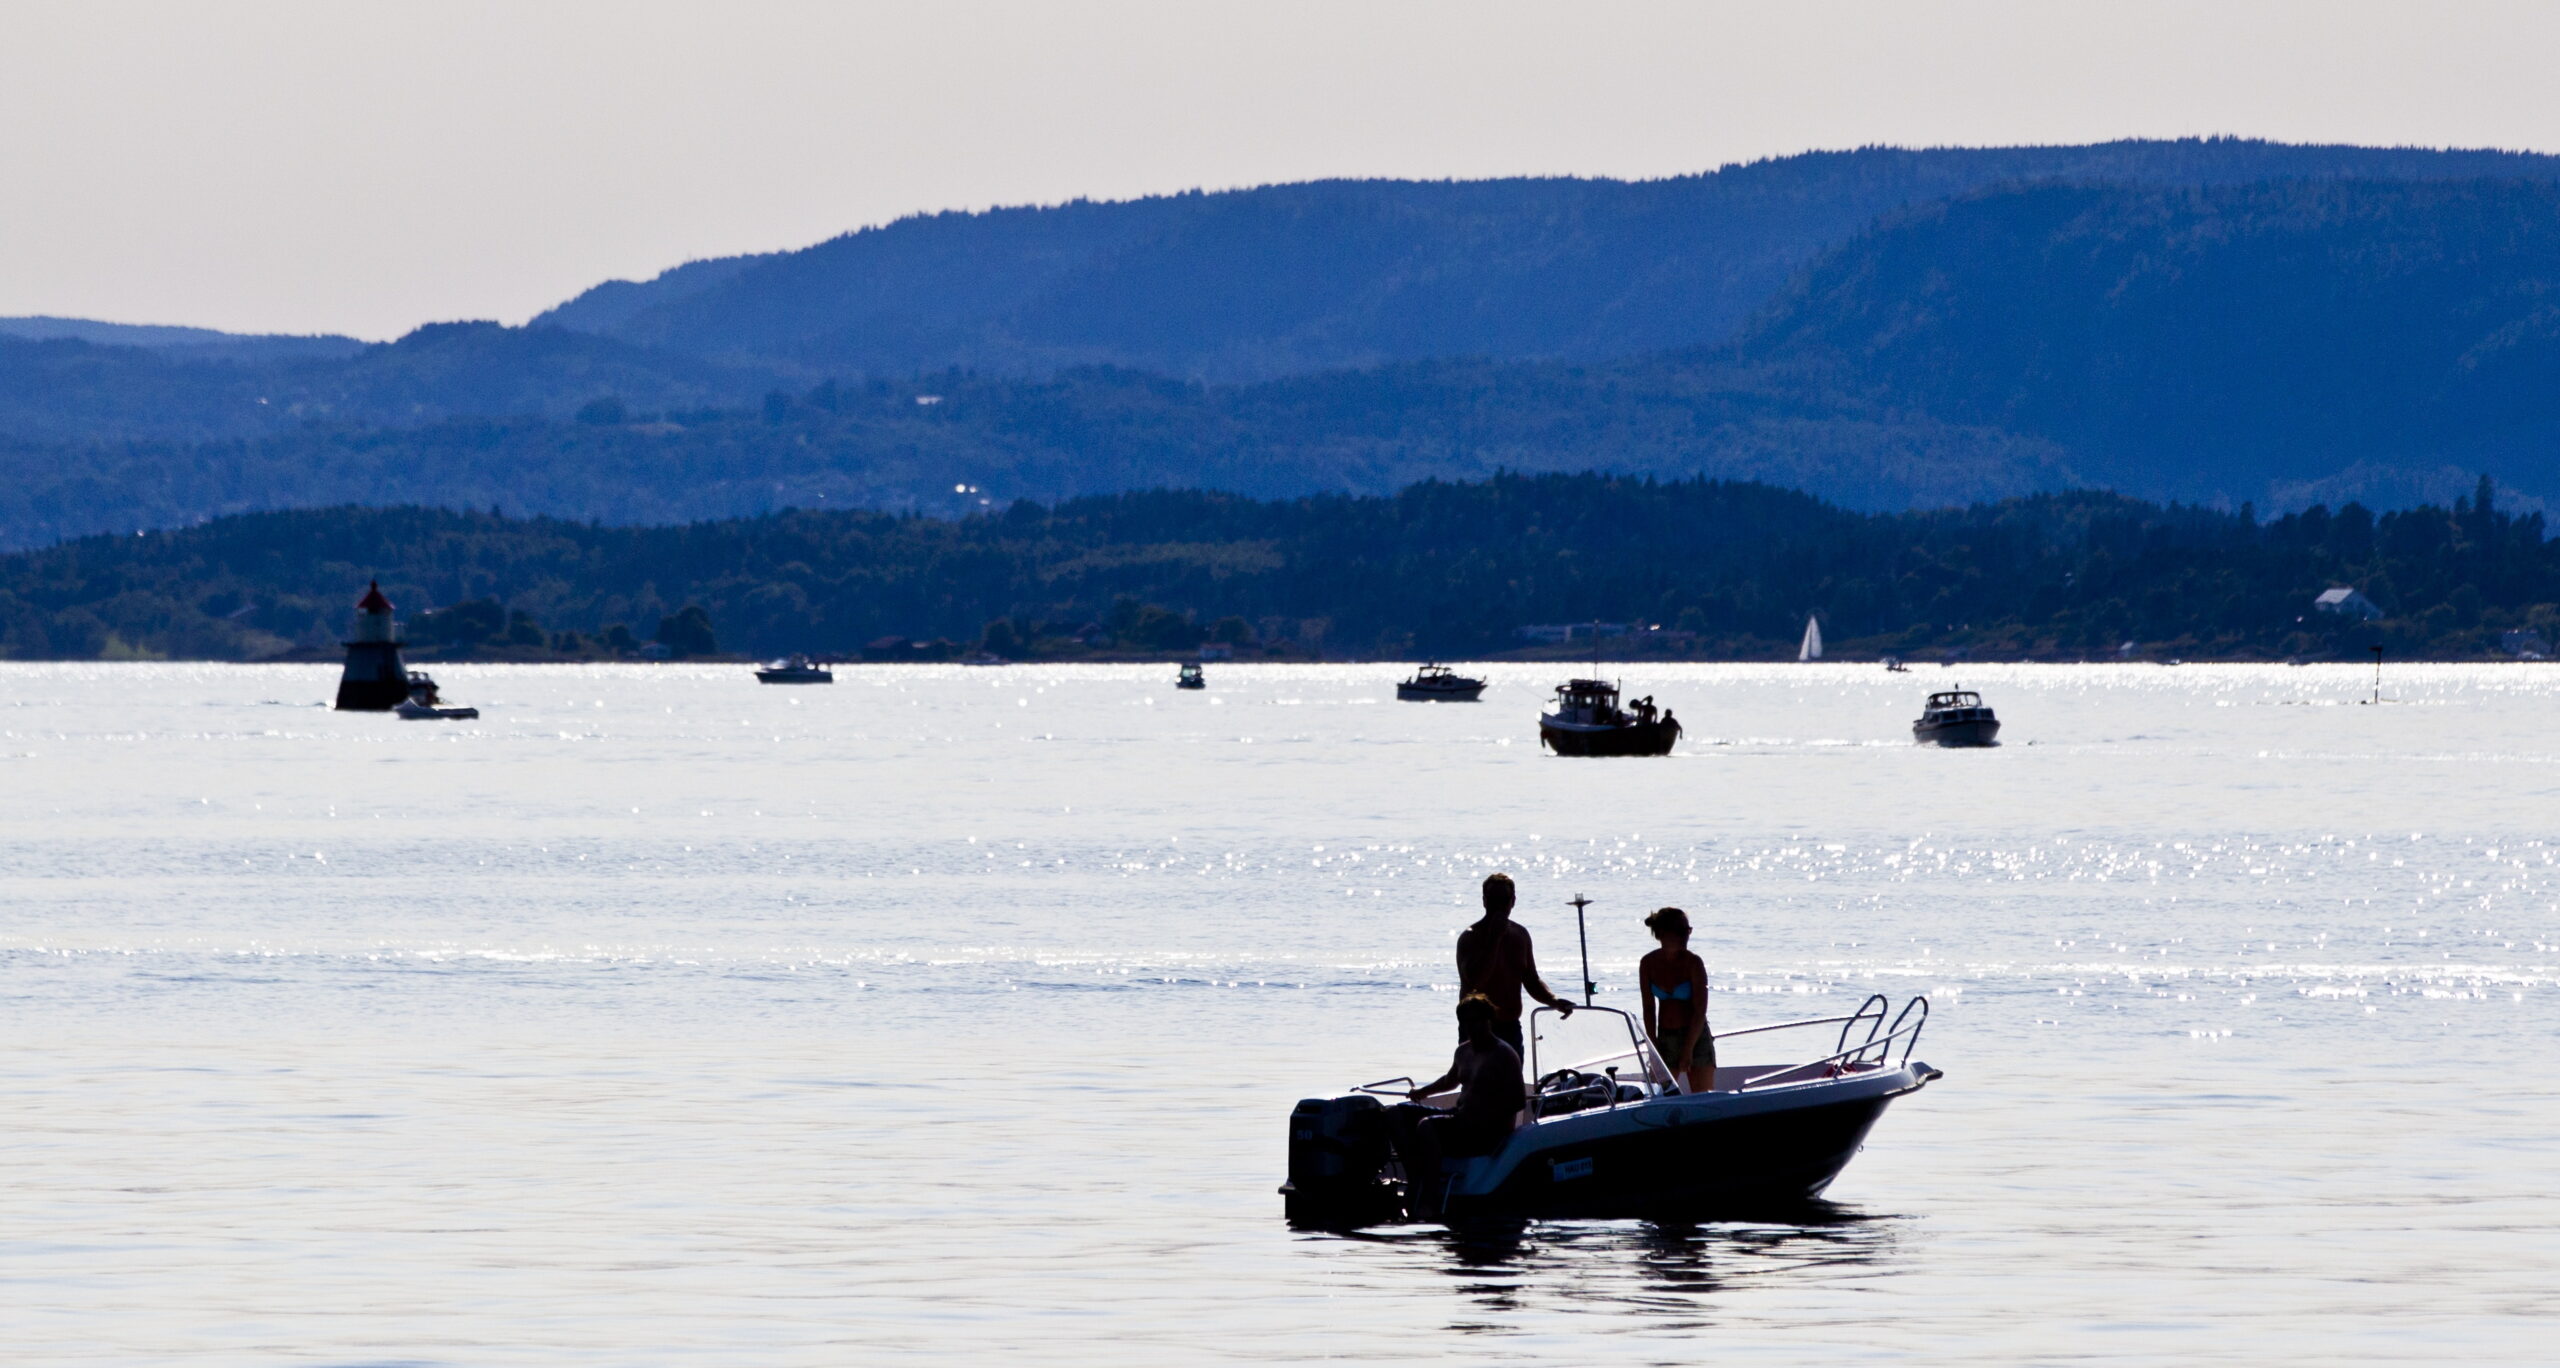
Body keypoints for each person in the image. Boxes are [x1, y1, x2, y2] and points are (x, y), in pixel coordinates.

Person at [1454, 873, 1572, 1062]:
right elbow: (1476, 981)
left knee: (1510, 1084)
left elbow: (1531, 980)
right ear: (1484, 901)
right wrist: (1494, 939)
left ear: (1513, 901)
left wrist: (1554, 1001)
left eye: (1504, 900)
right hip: (1476, 1029)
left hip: (1510, 1028)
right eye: (1493, 900)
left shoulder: (1520, 935)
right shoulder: (1470, 937)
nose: (1499, 906)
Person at [1403, 993, 1529, 1168]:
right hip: (1459, 1117)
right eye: (1465, 1021)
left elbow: (1518, 1102)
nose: (1470, 1026)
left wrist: (1483, 1118)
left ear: (1488, 1019)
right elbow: (1449, 1081)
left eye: (1475, 1020)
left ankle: (1430, 1188)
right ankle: (1415, 1175)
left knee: (1427, 1126)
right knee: (1398, 1114)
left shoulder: (1504, 1055)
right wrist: (1421, 1092)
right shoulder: (1463, 1051)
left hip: (1487, 1131)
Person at [1639, 906, 1716, 1092]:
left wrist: (1688, 1049)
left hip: (1695, 1037)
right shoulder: (1648, 963)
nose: (1686, 936)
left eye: (1687, 931)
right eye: (1680, 931)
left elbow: (1700, 1010)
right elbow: (1648, 1009)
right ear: (1662, 934)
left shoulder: (1694, 962)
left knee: (1702, 1099)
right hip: (1665, 1038)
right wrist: (1653, 1047)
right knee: (1661, 1097)